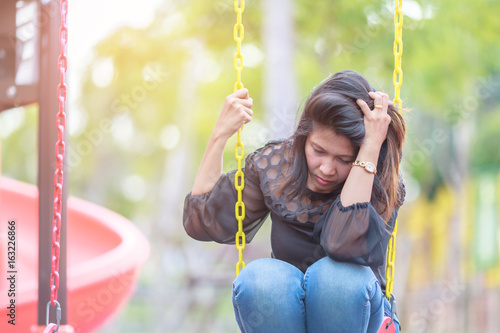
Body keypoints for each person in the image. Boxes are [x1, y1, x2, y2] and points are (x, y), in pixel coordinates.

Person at [183, 70, 406, 333]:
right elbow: (202, 221)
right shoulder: (279, 166)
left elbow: (342, 244)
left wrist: (370, 148)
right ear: (303, 139)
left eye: (344, 160)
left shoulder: (378, 179)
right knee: (261, 278)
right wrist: (220, 134)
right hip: (285, 316)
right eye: (318, 151)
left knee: (335, 278)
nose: (326, 168)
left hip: (356, 313)